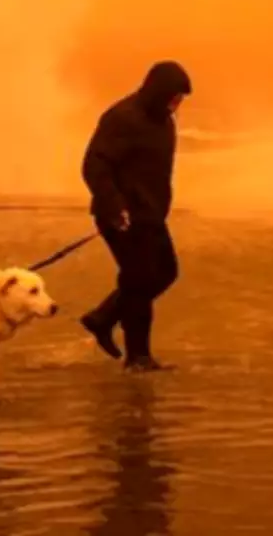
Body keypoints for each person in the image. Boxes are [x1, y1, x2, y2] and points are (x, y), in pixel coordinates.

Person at [79, 60, 192, 372]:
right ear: (158, 92)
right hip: (121, 217)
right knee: (139, 280)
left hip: (150, 216)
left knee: (166, 271)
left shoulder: (164, 121)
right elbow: (94, 166)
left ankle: (103, 318)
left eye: (180, 99)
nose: (177, 104)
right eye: (174, 97)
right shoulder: (123, 118)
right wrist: (115, 207)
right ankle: (138, 357)